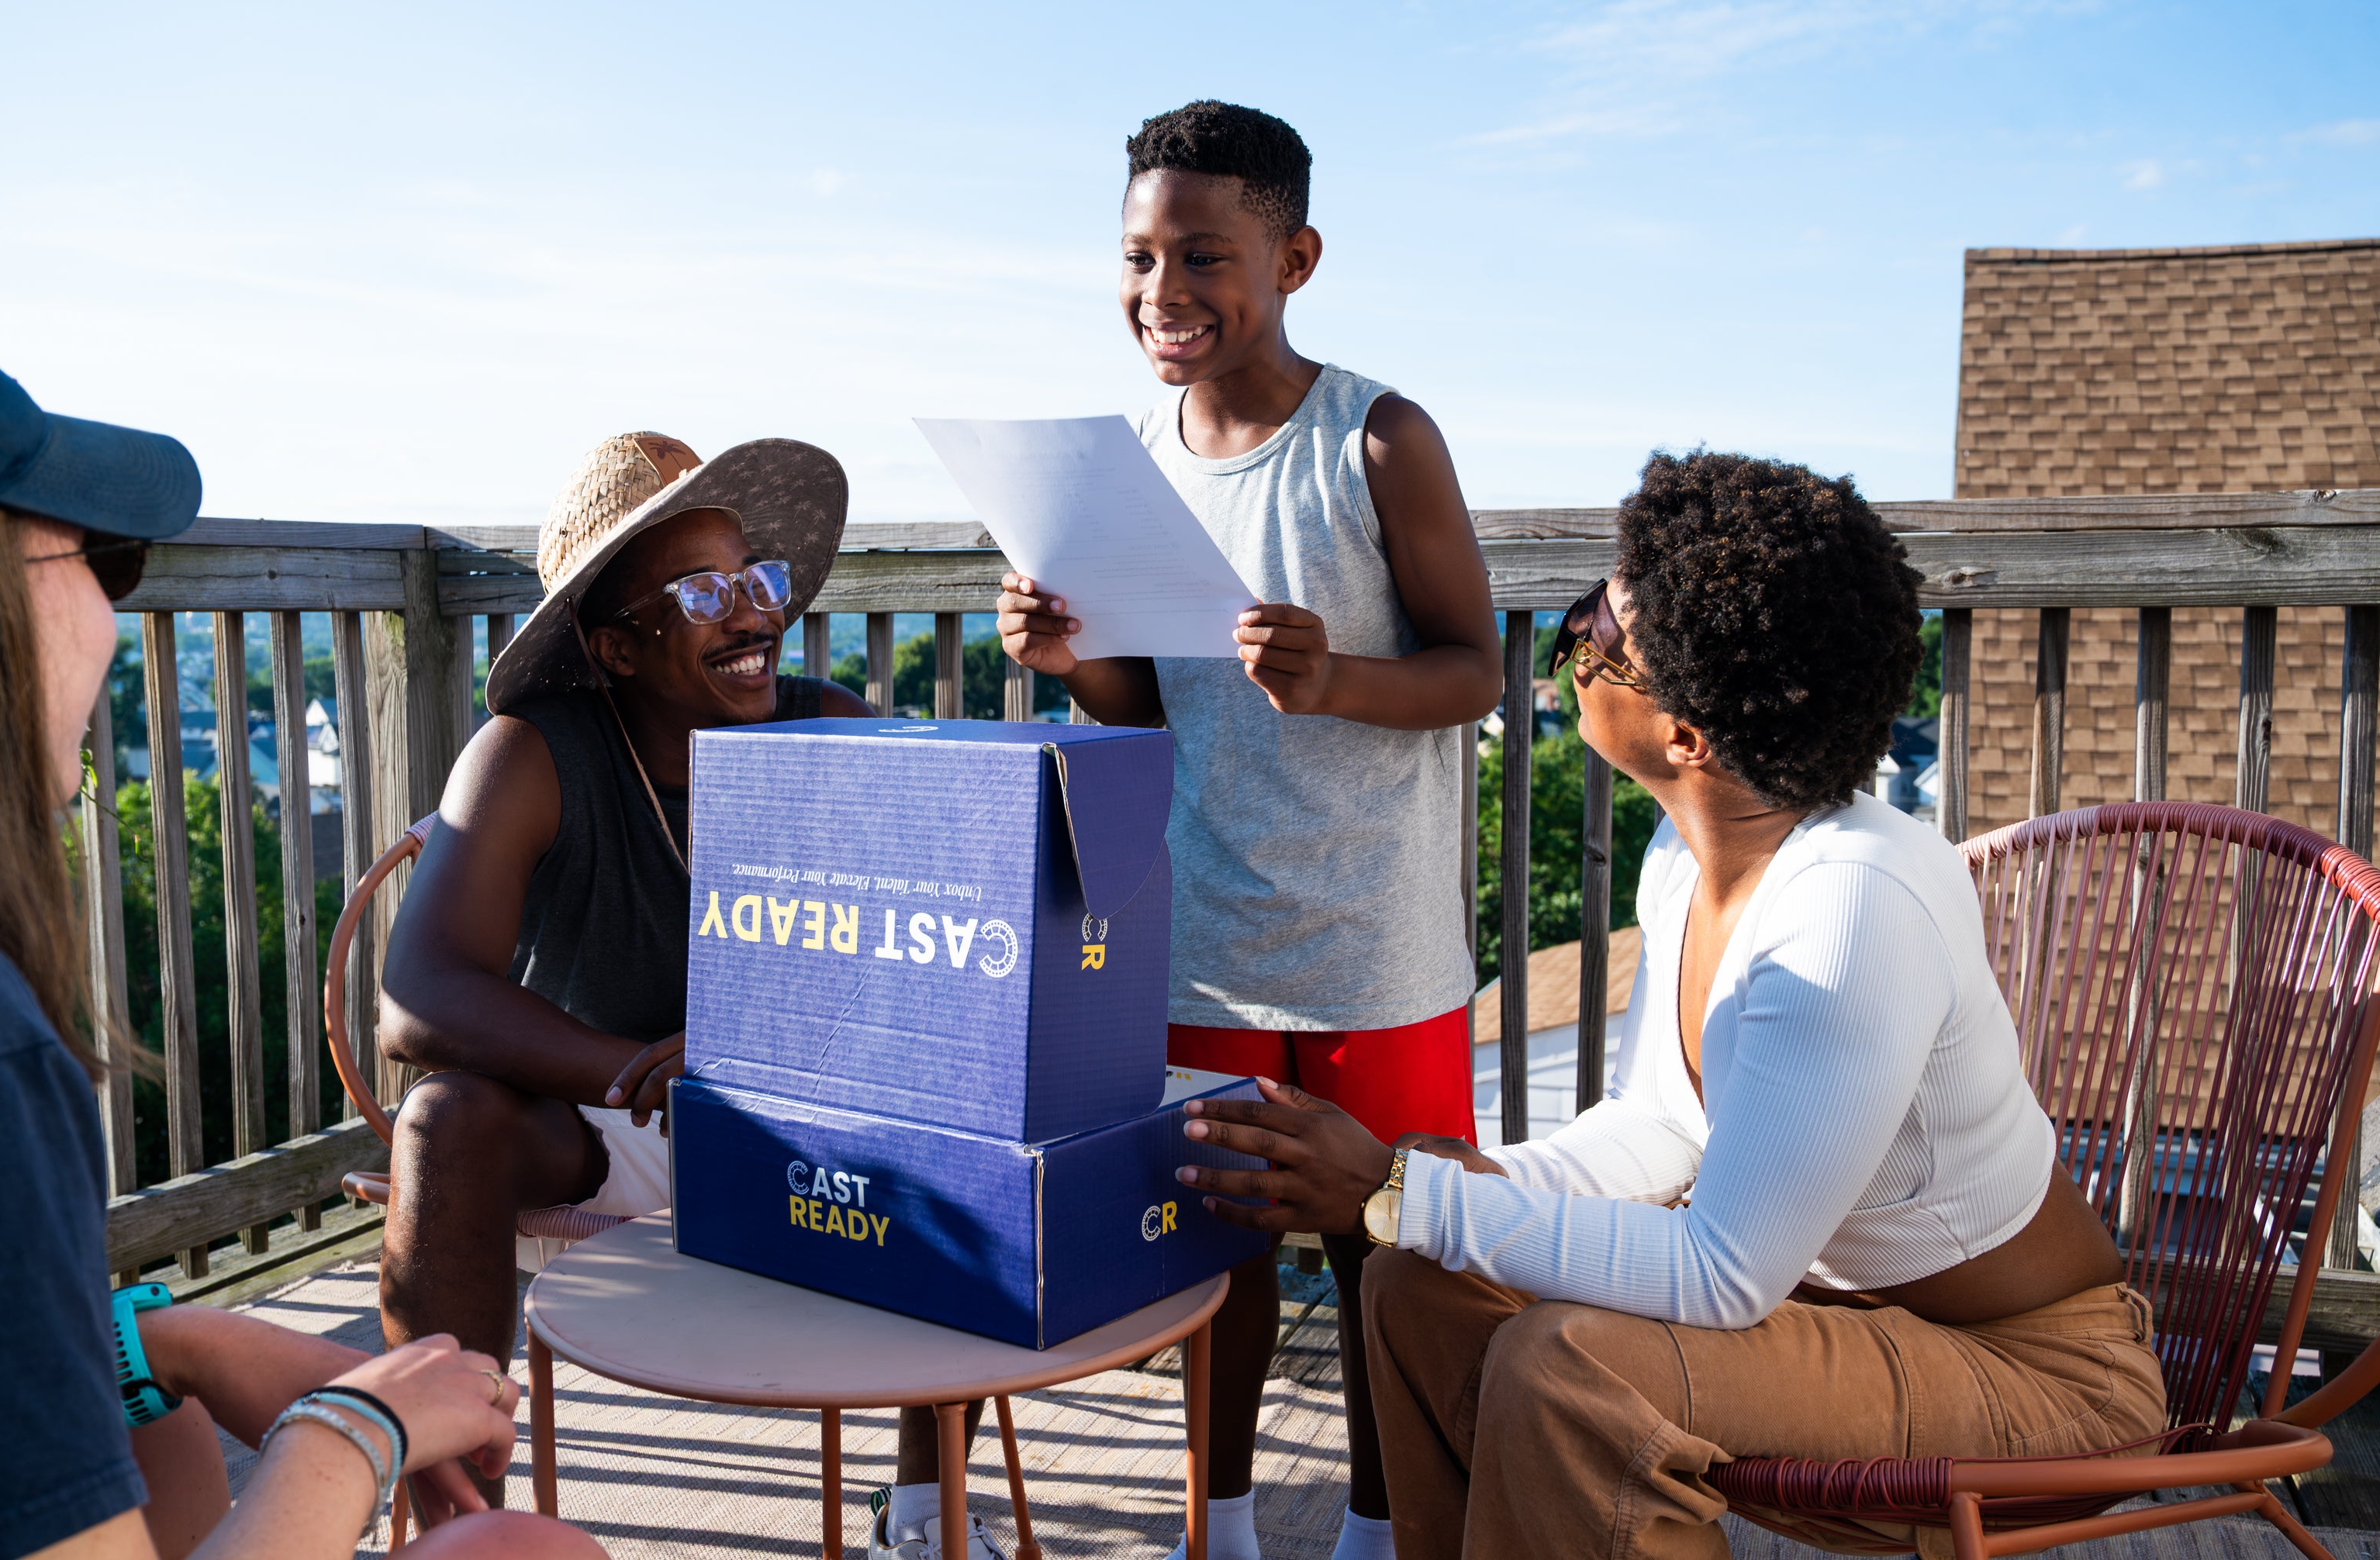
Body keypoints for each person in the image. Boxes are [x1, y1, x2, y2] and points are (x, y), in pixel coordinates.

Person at [1173, 450, 2164, 1560]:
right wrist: (1432, 1175)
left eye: (1599, 633)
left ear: (1688, 734)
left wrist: (1404, 1190)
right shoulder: (1690, 856)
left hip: (2035, 1376)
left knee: (1562, 1364)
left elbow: (1721, 1271)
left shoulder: (1852, 908)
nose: (1572, 647)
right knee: (1414, 1278)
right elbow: (1659, 1127)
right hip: (1843, 1326)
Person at [0, 295, 603, 1559]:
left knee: (153, 1417)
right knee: (522, 1551)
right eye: (95, 564)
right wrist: (352, 1429)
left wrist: (163, 1337)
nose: (114, 620)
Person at [997, 101, 1504, 1560]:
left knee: (1379, 1259)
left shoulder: (1380, 440)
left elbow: (1476, 666)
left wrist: (1336, 673)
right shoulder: (1127, 461)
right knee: (1209, 1250)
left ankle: (1374, 1522)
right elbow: (1140, 699)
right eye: (1142, 256)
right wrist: (1064, 654)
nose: (1166, 292)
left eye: (1205, 254)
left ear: (1296, 258)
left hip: (1375, 946)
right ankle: (1215, 1530)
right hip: (1201, 939)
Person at [375, 436, 1002, 1557]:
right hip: (619, 1111)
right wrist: (626, 1065)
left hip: (803, 1110)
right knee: (443, 1119)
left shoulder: (833, 728)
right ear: (615, 644)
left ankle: (923, 1516)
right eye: (706, 593)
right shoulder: (531, 754)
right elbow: (415, 995)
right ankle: (460, 1521)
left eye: (757, 580)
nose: (756, 613)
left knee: (943, 1103)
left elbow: (957, 947)